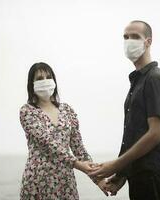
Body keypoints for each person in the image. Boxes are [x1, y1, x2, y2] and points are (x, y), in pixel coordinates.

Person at [89, 20, 160, 200]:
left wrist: (115, 165)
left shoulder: (155, 79)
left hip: (152, 175)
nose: (129, 41)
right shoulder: (138, 82)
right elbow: (136, 134)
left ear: (148, 41)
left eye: (135, 36)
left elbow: (156, 134)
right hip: (140, 175)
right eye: (125, 37)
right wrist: (123, 174)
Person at [19, 62, 106, 200]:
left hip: (65, 183)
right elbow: (48, 143)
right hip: (37, 182)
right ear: (31, 84)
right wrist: (76, 164)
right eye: (39, 79)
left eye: (48, 77)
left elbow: (79, 149)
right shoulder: (28, 111)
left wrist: (98, 179)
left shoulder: (67, 111)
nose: (45, 81)